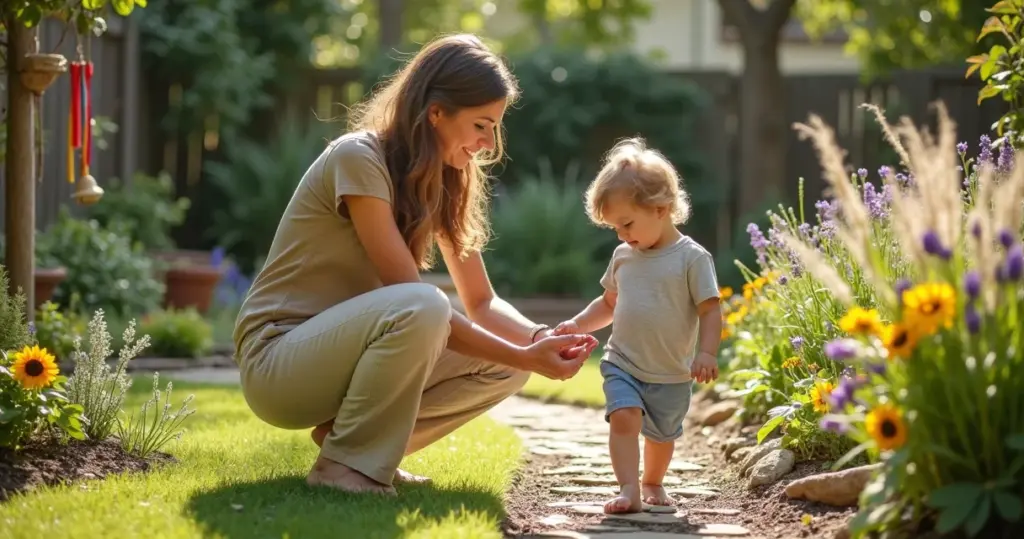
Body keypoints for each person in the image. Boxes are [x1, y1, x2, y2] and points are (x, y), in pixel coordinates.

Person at [231, 33, 599, 497]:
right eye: (481, 125)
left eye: (494, 128)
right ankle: (345, 469)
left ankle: (361, 450)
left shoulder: (443, 181)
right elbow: (413, 297)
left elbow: (482, 302)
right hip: (279, 362)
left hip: (344, 353)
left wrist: (537, 340)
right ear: (436, 113)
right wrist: (523, 352)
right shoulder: (358, 157)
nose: (488, 143)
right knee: (426, 305)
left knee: (506, 364)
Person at [552, 137, 722, 514]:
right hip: (623, 362)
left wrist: (707, 351)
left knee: (662, 436)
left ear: (661, 208)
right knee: (624, 418)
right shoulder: (623, 256)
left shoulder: (692, 259)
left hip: (671, 372)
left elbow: (711, 310)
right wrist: (578, 324)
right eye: (614, 227)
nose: (621, 234)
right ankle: (628, 488)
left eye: (626, 223)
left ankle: (652, 481)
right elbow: (609, 303)